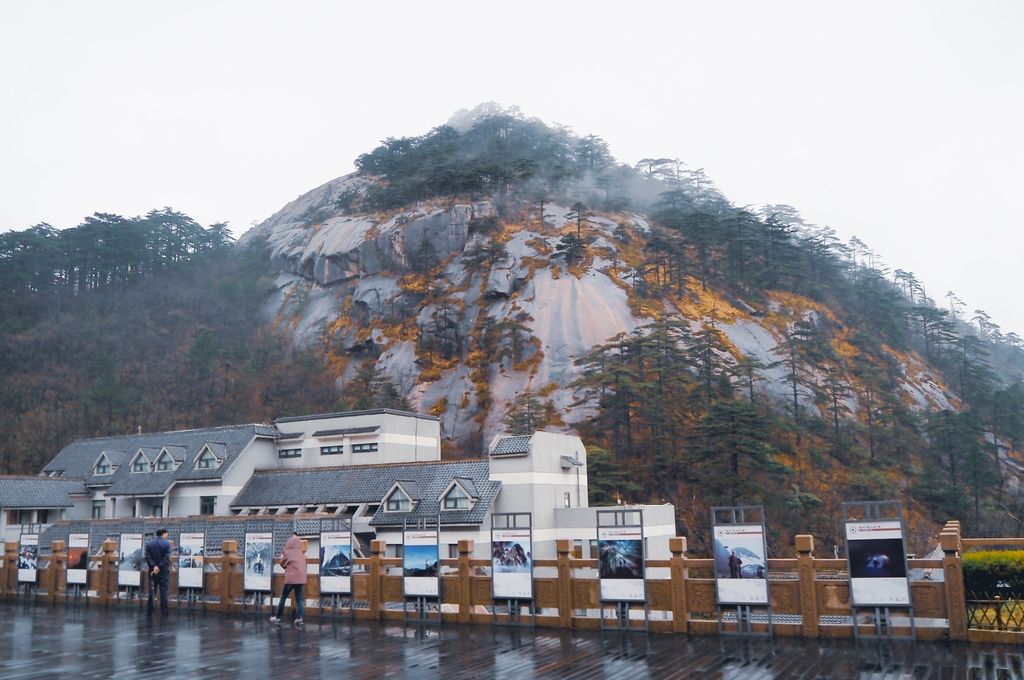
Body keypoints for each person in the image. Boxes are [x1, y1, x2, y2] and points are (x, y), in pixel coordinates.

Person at [270, 533, 306, 626]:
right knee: (300, 599)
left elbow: (281, 562)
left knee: (283, 597)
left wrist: (286, 566)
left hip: (291, 578)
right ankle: (300, 619)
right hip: (301, 578)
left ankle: (278, 618)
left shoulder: (287, 552)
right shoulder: (300, 553)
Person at [145, 529, 172, 615]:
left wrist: (154, 566)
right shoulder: (167, 543)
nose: (167, 535)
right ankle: (164, 610)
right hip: (163, 570)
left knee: (152, 590)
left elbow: (147, 557)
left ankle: (150, 610)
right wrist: (159, 566)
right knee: (163, 590)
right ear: (164, 533)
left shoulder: (149, 544)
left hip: (152, 571)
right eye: (166, 533)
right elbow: (166, 557)